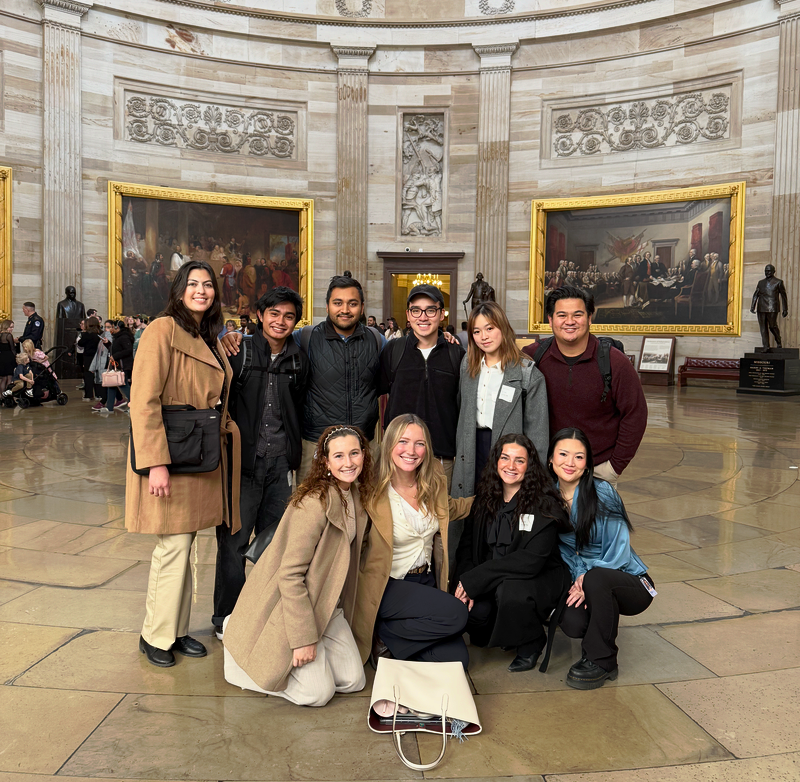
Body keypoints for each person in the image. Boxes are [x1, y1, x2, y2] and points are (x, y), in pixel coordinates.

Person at [126, 260, 240, 669]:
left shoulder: (207, 335)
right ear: (179, 290)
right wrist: (155, 463)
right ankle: (154, 635)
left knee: (186, 546)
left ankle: (175, 630)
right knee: (172, 546)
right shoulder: (162, 330)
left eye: (207, 284)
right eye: (193, 284)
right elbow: (143, 400)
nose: (201, 290)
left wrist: (229, 341)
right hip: (172, 455)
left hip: (198, 453)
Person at [222, 425, 371, 706]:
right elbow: (290, 575)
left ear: (364, 454)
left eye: (354, 453)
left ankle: (314, 650)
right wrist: (303, 638)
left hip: (326, 604)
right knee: (317, 694)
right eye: (338, 456)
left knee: (354, 681)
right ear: (326, 462)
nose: (348, 462)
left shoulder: (355, 496)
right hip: (295, 603)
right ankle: (241, 643)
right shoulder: (313, 504)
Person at [212, 287, 310, 638]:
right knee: (234, 544)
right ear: (260, 315)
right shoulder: (239, 351)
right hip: (243, 465)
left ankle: (265, 614)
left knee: (275, 545)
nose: (280, 321)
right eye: (274, 314)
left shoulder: (298, 359)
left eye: (288, 316)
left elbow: (299, 405)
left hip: (281, 465)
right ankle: (226, 617)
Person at [222, 274, 384, 484]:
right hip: (315, 445)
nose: (345, 309)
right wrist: (237, 337)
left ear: (362, 308)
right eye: (338, 303)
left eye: (352, 304)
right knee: (312, 503)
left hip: (362, 445)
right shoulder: (307, 337)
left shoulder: (376, 340)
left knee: (364, 503)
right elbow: (273, 340)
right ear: (327, 306)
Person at [353, 414, 473, 671]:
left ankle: (387, 635)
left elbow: (451, 509)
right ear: (389, 444)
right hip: (388, 584)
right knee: (457, 613)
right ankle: (385, 630)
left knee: (457, 662)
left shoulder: (433, 482)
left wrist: (494, 496)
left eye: (420, 444)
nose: (411, 450)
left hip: (424, 581)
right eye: (403, 441)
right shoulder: (371, 489)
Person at [453, 434, 570, 672]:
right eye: (505, 458)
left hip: (535, 577)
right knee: (476, 619)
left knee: (510, 592)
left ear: (530, 466)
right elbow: (466, 545)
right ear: (496, 461)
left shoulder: (544, 504)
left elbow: (531, 561)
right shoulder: (485, 497)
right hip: (493, 575)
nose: (511, 466)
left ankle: (532, 642)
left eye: (520, 460)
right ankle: (507, 625)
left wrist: (478, 578)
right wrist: (465, 582)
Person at [548, 428, 653, 689]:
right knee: (573, 624)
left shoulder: (602, 491)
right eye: (563, 454)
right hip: (583, 578)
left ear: (587, 463)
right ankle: (599, 624)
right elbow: (562, 552)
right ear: (551, 459)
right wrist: (577, 579)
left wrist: (586, 577)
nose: (570, 463)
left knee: (597, 580)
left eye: (579, 457)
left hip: (629, 580)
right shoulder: (547, 498)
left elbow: (619, 550)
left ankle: (602, 661)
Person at [522, 286, 647, 488]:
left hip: (597, 471)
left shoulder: (615, 362)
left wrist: (614, 466)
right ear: (550, 320)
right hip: (546, 470)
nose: (570, 321)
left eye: (577, 315)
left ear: (589, 318)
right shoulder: (532, 357)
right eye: (562, 315)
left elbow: (635, 414)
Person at [452, 301, 548, 503]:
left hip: (507, 451)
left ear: (503, 328)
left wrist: (533, 477)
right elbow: (461, 408)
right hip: (471, 447)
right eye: (476, 331)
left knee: (501, 506)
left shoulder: (527, 373)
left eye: (490, 328)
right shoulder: (467, 365)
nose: (484, 337)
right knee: (469, 507)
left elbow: (537, 435)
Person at [378, 285, 464, 487]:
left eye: (430, 310)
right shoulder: (393, 351)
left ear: (441, 314)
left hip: (441, 458)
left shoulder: (456, 354)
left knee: (440, 507)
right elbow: (379, 392)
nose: (423, 317)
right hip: (399, 455)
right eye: (416, 310)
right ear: (408, 315)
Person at [96, 321, 133, 414]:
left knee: (123, 385)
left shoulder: (124, 337)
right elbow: (115, 349)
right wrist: (107, 344)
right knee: (111, 385)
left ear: (117, 327)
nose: (110, 329)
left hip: (123, 365)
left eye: (111, 327)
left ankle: (134, 404)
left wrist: (115, 356)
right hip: (117, 364)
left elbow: (128, 350)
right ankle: (109, 407)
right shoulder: (117, 337)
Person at [77, 317, 103, 401]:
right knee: (98, 376)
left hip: (88, 357)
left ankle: (89, 395)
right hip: (99, 356)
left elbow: (80, 343)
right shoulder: (101, 333)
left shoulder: (87, 334)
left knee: (88, 375)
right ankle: (99, 394)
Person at [0, 320, 14, 394]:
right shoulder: (8, 336)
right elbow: (12, 349)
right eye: (10, 327)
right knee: (9, 378)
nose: (12, 329)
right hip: (9, 357)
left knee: (3, 378)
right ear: (6, 326)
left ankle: (1, 396)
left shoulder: (0, 335)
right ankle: (7, 396)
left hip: (1, 357)